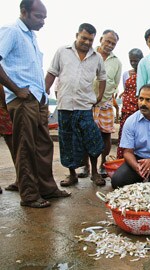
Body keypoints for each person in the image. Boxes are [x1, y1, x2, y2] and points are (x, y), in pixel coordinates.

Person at [0, 0, 70, 207]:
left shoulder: (30, 36)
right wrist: (16, 89)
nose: (43, 21)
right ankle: (29, 195)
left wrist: (40, 95)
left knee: (43, 145)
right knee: (26, 148)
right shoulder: (11, 31)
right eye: (39, 16)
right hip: (22, 100)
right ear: (24, 12)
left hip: (37, 99)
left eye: (45, 17)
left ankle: (47, 189)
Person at [45, 23, 106, 186]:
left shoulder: (97, 57)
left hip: (85, 107)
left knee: (92, 140)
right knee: (67, 141)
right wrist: (44, 91)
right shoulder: (62, 52)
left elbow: (102, 78)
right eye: (84, 38)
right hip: (65, 106)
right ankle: (72, 175)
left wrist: (99, 96)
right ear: (77, 35)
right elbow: (52, 72)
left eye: (90, 40)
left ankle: (95, 172)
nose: (87, 42)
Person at [80, 29, 122, 180]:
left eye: (113, 43)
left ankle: (102, 164)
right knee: (86, 135)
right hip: (86, 103)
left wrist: (106, 97)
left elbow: (115, 83)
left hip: (105, 103)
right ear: (100, 40)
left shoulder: (116, 62)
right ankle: (86, 166)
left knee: (106, 135)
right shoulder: (89, 55)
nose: (110, 45)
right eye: (107, 41)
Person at [117, 48, 143, 159]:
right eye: (131, 61)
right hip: (127, 109)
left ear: (141, 60)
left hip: (140, 109)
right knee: (125, 134)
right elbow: (126, 90)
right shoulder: (126, 74)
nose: (133, 63)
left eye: (136, 60)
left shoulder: (145, 72)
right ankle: (123, 161)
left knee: (141, 136)